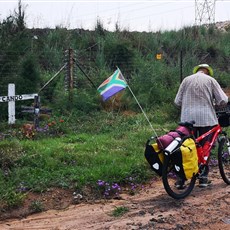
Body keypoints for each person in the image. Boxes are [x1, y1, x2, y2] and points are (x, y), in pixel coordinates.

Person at [174, 63, 228, 188]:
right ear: (208, 72)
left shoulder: (186, 80)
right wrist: (215, 104)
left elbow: (177, 101)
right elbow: (223, 100)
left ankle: (181, 179)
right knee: (205, 147)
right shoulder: (210, 80)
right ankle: (203, 178)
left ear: (196, 71)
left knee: (187, 148)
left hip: (187, 120)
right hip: (206, 119)